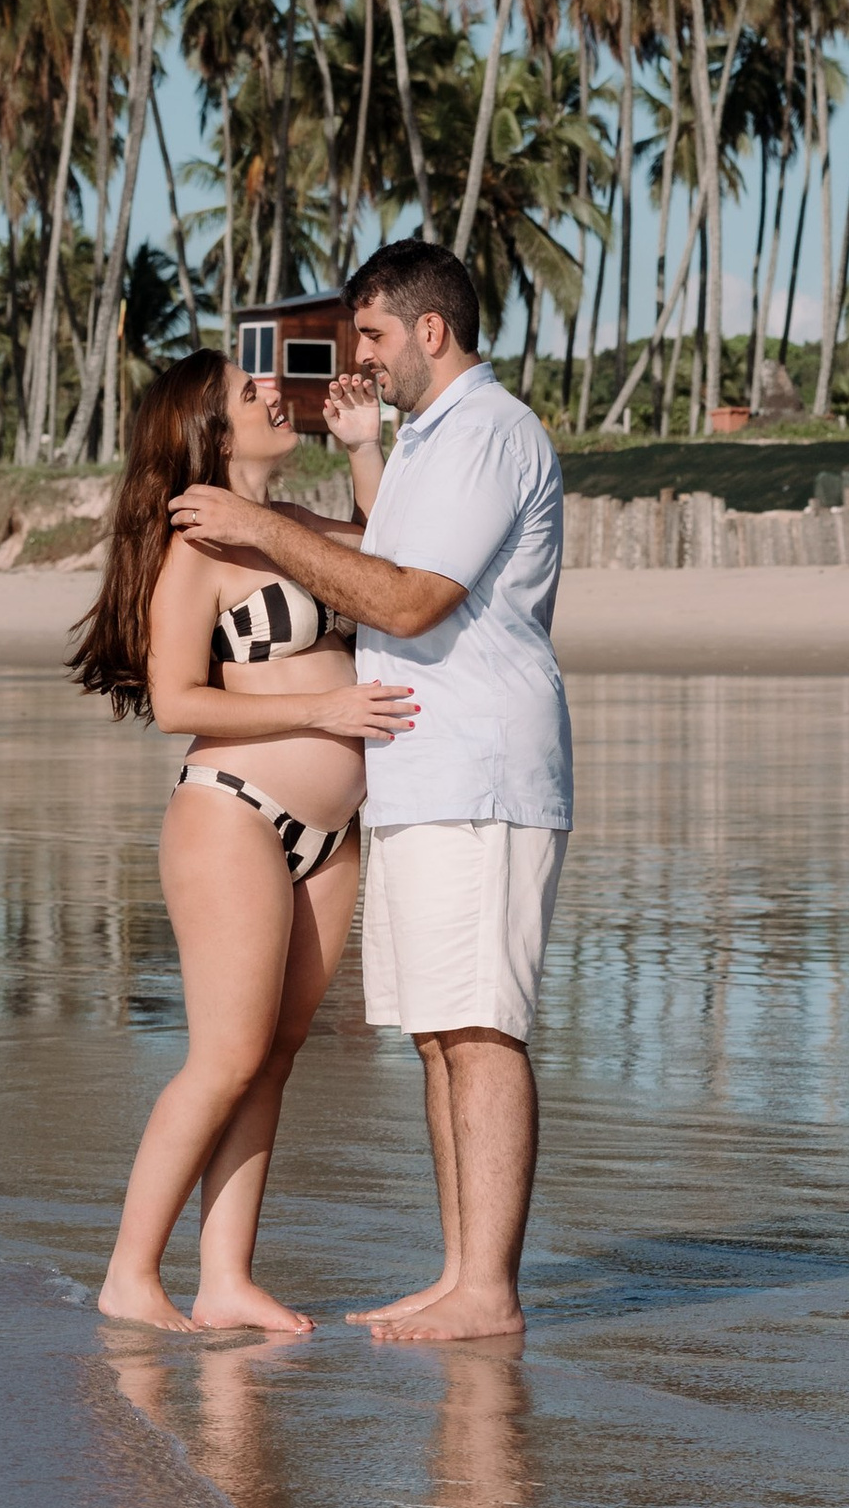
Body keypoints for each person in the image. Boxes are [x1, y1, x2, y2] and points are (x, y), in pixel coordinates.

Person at [167, 240, 568, 1343]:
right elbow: (387, 545)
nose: (364, 357)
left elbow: (405, 599)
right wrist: (357, 452)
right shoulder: (430, 440)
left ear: (430, 330)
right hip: (424, 779)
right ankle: (459, 1274)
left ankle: (486, 1286)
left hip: (481, 772)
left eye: (377, 336)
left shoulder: (487, 432)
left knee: (480, 1028)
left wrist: (265, 526)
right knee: (442, 1032)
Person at [71, 344, 415, 1334]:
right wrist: (323, 716)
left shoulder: (293, 525)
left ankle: (226, 1277)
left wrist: (361, 449)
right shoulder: (197, 544)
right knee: (224, 1055)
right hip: (232, 813)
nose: (272, 391)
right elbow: (179, 695)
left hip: (329, 830)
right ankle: (131, 1275)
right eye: (246, 390)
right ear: (209, 431)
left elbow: (387, 569)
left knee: (276, 1053)